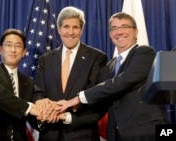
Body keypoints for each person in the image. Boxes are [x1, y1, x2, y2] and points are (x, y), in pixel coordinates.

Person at [57, 12, 169, 141]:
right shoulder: (109, 67)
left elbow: (122, 82)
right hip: (116, 135)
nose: (119, 32)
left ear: (136, 32)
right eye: (114, 28)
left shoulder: (145, 53)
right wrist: (65, 116)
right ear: (110, 35)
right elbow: (100, 101)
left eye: (125, 27)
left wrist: (78, 98)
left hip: (146, 132)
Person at [33, 6, 108, 141]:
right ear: (59, 29)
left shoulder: (97, 57)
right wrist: (43, 105)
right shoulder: (46, 59)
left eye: (75, 27)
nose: (70, 32)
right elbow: (38, 91)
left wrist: (68, 117)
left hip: (82, 134)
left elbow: (97, 98)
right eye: (66, 27)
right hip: (50, 133)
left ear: (82, 30)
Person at [0, 28, 38, 141]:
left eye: (18, 46)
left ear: (24, 52)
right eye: (8, 45)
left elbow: (32, 117)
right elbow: (0, 99)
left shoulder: (28, 82)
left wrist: (47, 115)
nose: (13, 50)